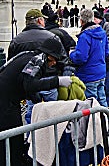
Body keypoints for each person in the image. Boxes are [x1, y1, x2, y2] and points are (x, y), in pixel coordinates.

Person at [0, 38, 72, 166]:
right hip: (6, 104)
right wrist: (57, 81)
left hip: (7, 100)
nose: (54, 63)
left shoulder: (27, 55)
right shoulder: (38, 60)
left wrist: (39, 101)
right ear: (48, 54)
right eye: (54, 59)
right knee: (13, 139)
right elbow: (29, 84)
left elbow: (24, 81)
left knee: (9, 138)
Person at [69, 9, 109, 107]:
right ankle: (106, 120)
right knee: (102, 100)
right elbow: (106, 52)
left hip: (88, 74)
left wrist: (71, 54)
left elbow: (81, 57)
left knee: (91, 104)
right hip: (101, 72)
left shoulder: (85, 36)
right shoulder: (102, 33)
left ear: (81, 20)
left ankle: (95, 122)